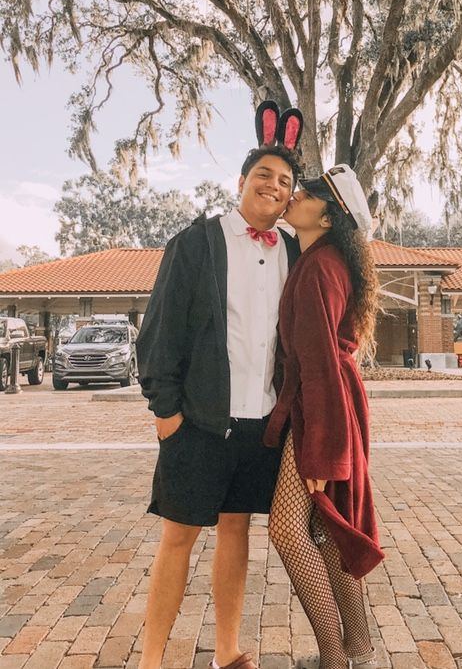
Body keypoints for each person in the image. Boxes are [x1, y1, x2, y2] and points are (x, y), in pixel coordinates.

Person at [136, 102, 303, 669]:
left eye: (285, 181)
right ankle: (151, 661)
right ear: (241, 182)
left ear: (290, 197)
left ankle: (227, 652)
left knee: (237, 533)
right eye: (264, 174)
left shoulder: (294, 252)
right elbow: (159, 331)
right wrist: (166, 413)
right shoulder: (196, 243)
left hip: (260, 426)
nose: (274, 186)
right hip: (199, 423)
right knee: (178, 539)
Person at [264, 164, 385, 669]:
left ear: (329, 216)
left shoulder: (318, 267)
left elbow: (316, 362)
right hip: (331, 403)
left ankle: (335, 657)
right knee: (323, 529)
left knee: (288, 530)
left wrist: (322, 448)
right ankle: (357, 646)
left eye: (307, 193)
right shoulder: (324, 260)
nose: (293, 195)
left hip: (323, 409)